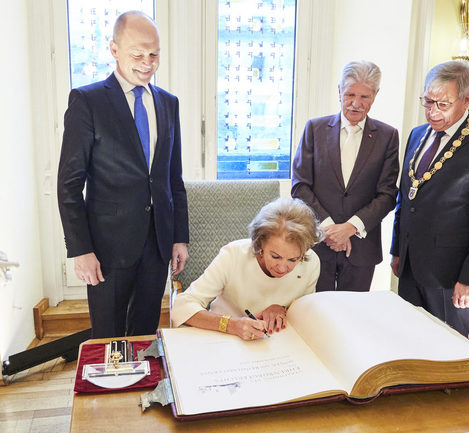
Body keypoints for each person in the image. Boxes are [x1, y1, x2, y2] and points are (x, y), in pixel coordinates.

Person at [57, 11, 189, 338]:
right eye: (137, 54)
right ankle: (109, 389)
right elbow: (69, 185)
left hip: (157, 244)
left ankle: (141, 387)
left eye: (154, 54)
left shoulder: (168, 104)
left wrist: (179, 236)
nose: (147, 63)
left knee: (144, 334)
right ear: (114, 49)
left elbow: (173, 178)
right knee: (109, 337)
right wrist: (80, 250)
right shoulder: (87, 101)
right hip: (107, 248)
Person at [390, 60, 469, 337]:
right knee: (408, 342)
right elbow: (407, 197)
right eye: (427, 101)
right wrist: (398, 249)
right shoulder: (418, 134)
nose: (432, 112)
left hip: (452, 277)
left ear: (466, 98)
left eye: (442, 104)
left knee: (447, 353)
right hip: (411, 267)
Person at [291, 60, 399, 292]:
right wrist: (330, 229)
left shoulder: (388, 136)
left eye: (365, 97)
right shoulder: (314, 129)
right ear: (339, 90)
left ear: (376, 95)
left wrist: (350, 227)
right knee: (314, 314)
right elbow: (300, 186)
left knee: (354, 318)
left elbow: (388, 194)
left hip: (361, 248)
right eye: (350, 94)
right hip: (317, 243)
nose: (356, 104)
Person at [171, 197, 321, 340]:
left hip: (276, 344)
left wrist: (283, 310)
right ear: (260, 242)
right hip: (223, 340)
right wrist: (232, 325)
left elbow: (303, 314)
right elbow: (182, 306)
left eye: (293, 259)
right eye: (275, 256)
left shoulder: (311, 262)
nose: (282, 268)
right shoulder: (233, 255)